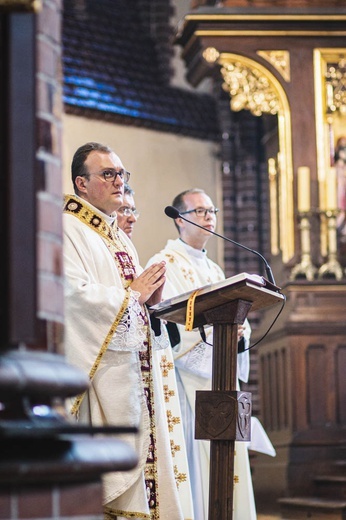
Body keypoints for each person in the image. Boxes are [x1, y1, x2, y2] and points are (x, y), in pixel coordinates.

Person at [63, 142, 186, 520]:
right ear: (82, 184)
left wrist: (147, 302)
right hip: (100, 384)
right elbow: (71, 298)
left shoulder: (116, 236)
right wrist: (131, 297)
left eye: (122, 174)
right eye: (108, 174)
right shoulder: (67, 227)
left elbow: (132, 302)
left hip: (134, 383)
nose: (119, 181)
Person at [146, 188, 259, 520]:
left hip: (219, 383)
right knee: (197, 468)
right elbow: (166, 327)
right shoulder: (163, 263)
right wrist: (215, 332)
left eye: (212, 211)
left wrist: (237, 334)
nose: (209, 217)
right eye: (200, 211)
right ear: (179, 220)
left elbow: (239, 322)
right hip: (186, 389)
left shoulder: (214, 270)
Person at [116, 184, 195, 519]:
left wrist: (155, 305)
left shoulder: (131, 257)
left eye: (134, 210)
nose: (131, 218)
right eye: (124, 210)